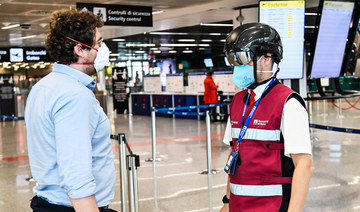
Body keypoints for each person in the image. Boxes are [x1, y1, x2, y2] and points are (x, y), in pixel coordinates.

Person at [25, 8, 116, 212]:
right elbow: (76, 174)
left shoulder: (44, 86)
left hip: (48, 202)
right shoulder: (74, 95)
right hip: (73, 207)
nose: (103, 49)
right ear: (80, 50)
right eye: (99, 43)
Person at [220, 23, 313, 212]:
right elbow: (235, 155)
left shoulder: (288, 103)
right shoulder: (239, 101)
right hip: (238, 206)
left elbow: (304, 164)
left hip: (272, 206)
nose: (237, 66)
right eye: (233, 59)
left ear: (266, 58)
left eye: (243, 58)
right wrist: (227, 201)